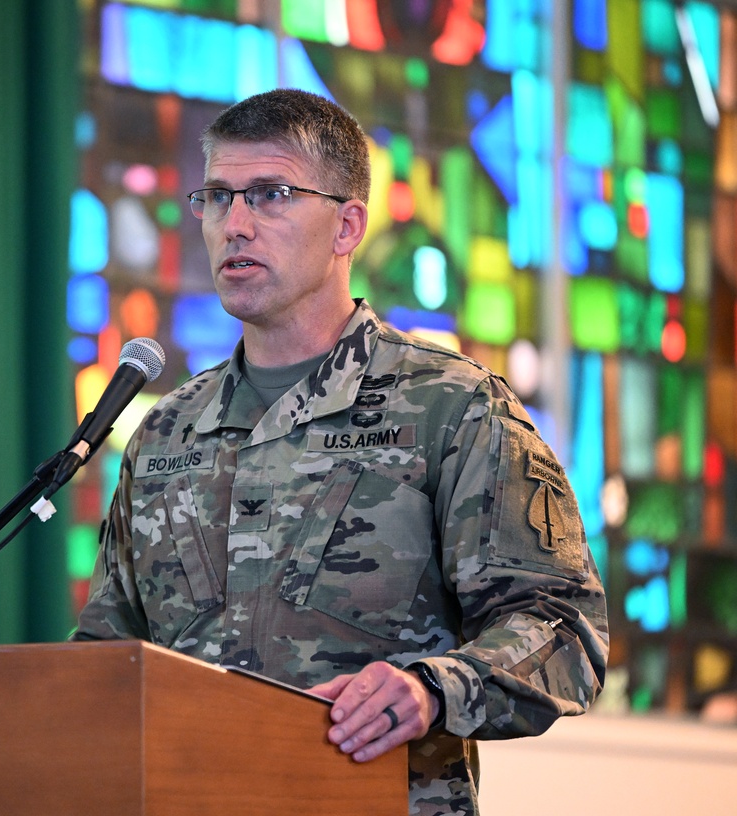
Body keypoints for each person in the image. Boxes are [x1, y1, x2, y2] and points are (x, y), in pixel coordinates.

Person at [71, 88, 609, 815]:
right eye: (217, 196)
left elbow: (562, 628)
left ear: (347, 225)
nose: (235, 224)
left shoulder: (451, 408)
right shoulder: (166, 435)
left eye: (270, 195)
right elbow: (105, 665)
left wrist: (430, 688)